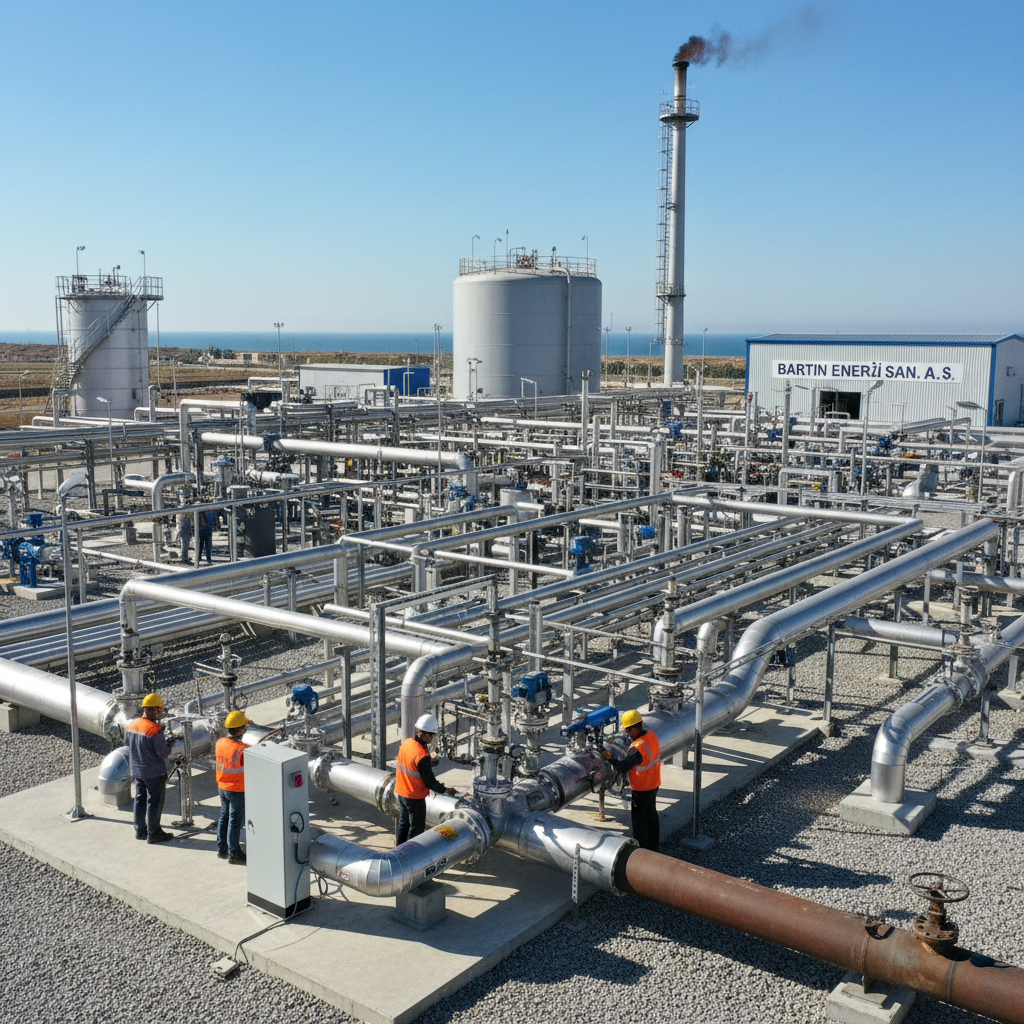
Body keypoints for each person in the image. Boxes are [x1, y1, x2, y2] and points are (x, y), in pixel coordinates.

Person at [394, 713, 456, 845]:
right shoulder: (422, 756)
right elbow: (430, 782)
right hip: (414, 796)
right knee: (416, 828)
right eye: (431, 734)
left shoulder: (407, 743)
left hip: (401, 791)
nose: (432, 737)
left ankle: (398, 847)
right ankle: (410, 854)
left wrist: (428, 763)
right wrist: (445, 790)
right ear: (421, 733)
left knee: (404, 822)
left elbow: (411, 764)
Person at [607, 708, 661, 852]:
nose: (627, 734)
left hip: (642, 789)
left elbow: (622, 767)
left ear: (634, 729)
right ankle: (654, 847)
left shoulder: (638, 748)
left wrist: (609, 758)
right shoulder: (652, 736)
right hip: (654, 784)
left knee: (640, 822)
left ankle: (642, 852)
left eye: (628, 730)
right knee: (652, 816)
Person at [125, 693, 174, 844]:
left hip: (137, 770)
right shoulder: (155, 730)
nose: (159, 713)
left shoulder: (131, 725)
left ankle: (140, 831)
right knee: (155, 801)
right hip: (153, 772)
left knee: (140, 799)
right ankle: (154, 833)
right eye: (159, 710)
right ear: (152, 710)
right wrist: (171, 743)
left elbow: (128, 743)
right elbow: (163, 753)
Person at [215, 710, 252, 864]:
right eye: (245, 727)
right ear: (240, 729)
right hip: (236, 789)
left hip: (222, 786)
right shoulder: (243, 750)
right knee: (235, 822)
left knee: (224, 817)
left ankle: (222, 848)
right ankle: (234, 853)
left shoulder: (220, 742)